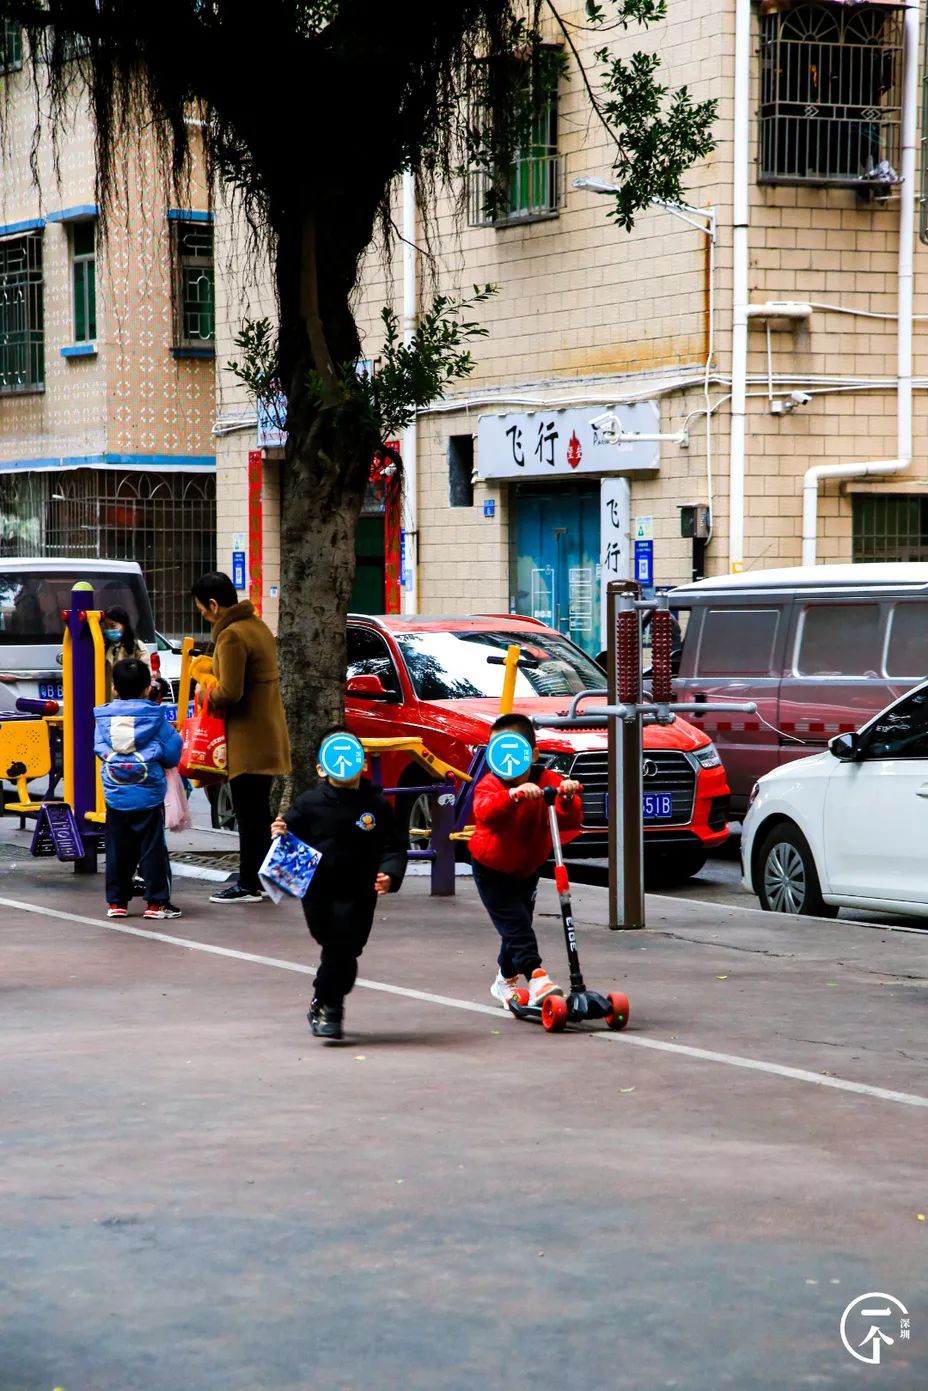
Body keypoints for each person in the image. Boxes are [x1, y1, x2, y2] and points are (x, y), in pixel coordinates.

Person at [271, 726, 407, 1040]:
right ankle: (326, 1002)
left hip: (360, 891)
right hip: (317, 890)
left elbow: (395, 845)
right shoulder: (309, 803)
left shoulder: (377, 805)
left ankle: (328, 1005)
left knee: (346, 947)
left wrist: (390, 873)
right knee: (333, 943)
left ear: (363, 763)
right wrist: (279, 831)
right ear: (321, 768)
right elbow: (287, 832)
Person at [470, 711, 583, 1009]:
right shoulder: (490, 785)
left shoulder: (548, 780)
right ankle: (536, 976)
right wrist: (513, 796)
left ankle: (504, 979)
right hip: (491, 869)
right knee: (517, 926)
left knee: (518, 926)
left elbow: (569, 819)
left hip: (527, 869)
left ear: (532, 754)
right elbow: (486, 813)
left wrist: (567, 798)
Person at [191, 571, 291, 904]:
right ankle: (261, 879)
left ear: (214, 605)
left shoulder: (232, 635)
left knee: (249, 816)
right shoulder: (256, 626)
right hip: (267, 734)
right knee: (258, 813)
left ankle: (249, 883)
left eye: (202, 609)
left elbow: (229, 693)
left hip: (247, 740)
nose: (203, 615)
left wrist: (203, 686)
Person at [94, 657, 183, 921]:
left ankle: (117, 902)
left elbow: (98, 748)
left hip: (116, 794)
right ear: (147, 688)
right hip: (149, 795)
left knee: (117, 849)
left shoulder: (103, 718)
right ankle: (156, 904)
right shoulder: (156, 719)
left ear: (114, 688)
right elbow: (172, 754)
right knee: (153, 848)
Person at [103, 605, 150, 698]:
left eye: (113, 626)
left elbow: (146, 673)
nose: (109, 630)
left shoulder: (137, 647)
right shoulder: (105, 648)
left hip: (132, 699)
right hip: (110, 699)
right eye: (107, 627)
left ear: (124, 624)